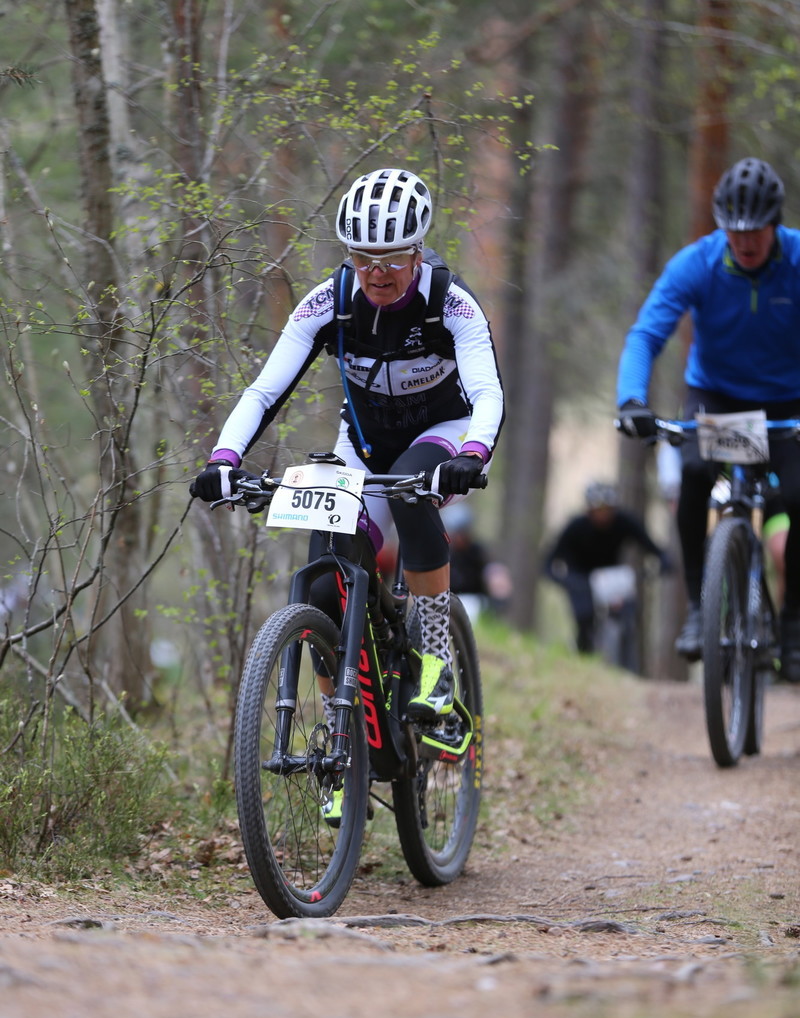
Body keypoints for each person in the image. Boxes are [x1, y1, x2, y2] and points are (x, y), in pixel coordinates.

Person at [191, 166, 505, 731]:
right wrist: (223, 459)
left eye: (390, 259)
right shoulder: (328, 303)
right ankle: (342, 735)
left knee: (412, 493)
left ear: (416, 251)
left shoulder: (450, 303)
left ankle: (436, 662)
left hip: (443, 433)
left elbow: (486, 392)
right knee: (322, 579)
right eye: (362, 258)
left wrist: (473, 454)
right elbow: (265, 391)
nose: (376, 273)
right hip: (361, 445)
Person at [616, 157, 800, 680]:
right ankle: (701, 606)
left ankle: (794, 619)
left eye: (755, 232)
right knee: (695, 473)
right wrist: (632, 400)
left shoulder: (797, 258)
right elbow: (647, 334)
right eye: (734, 231)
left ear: (775, 224)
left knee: (799, 495)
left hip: (790, 403)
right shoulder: (697, 263)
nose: (744, 242)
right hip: (717, 399)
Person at [543, 481, 671, 654]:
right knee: (585, 616)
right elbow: (550, 561)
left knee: (628, 608)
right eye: (598, 510)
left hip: (610, 575)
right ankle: (584, 650)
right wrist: (565, 581)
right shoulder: (575, 527)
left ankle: (626, 657)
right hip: (581, 577)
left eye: (607, 510)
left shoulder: (623, 522)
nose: (603, 516)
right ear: (589, 510)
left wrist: (663, 561)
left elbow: (650, 546)